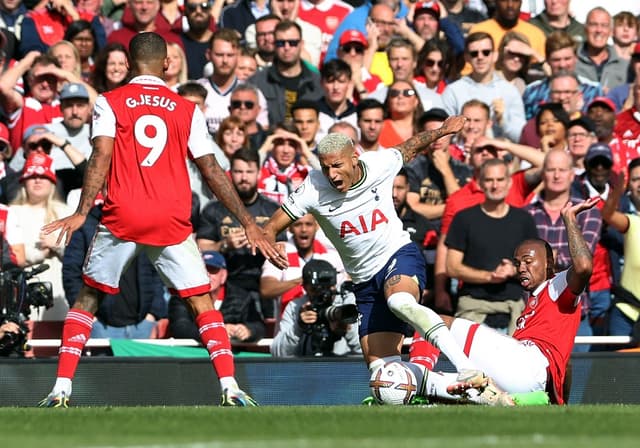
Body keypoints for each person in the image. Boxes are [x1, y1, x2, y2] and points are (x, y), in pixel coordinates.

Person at [38, 32, 286, 408]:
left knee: (88, 297)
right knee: (201, 302)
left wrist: (82, 210)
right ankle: (230, 386)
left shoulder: (109, 101)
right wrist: (248, 220)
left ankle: (61, 387)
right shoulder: (186, 109)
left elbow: (101, 154)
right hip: (171, 217)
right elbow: (211, 168)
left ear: (131, 63)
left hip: (124, 214)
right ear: (167, 64)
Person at [262, 118, 514, 406]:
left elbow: (411, 145)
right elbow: (274, 223)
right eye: (326, 167)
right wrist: (266, 237)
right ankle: (487, 397)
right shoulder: (313, 188)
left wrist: (443, 131)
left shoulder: (379, 164)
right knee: (385, 376)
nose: (332, 174)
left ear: (355, 157)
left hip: (398, 256)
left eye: (338, 165)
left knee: (400, 302)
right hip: (365, 282)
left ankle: (468, 369)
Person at [430, 198, 597, 405]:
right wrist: (561, 405)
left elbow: (583, 267)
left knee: (434, 321)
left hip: (529, 367)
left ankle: (422, 370)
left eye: (528, 261)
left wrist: (569, 219)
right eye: (518, 263)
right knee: (440, 386)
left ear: (549, 264)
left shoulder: (557, 285)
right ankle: (412, 385)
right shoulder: (531, 307)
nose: (521, 268)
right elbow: (566, 365)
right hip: (527, 382)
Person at [445, 158, 539, 334]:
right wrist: (490, 276)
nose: (495, 185)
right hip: (472, 310)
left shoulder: (524, 220)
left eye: (500, 179)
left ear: (509, 182)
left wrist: (515, 270)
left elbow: (536, 268)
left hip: (514, 312)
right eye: (489, 180)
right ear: (480, 183)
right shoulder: (464, 219)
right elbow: (452, 267)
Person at [271, 259, 361, 357]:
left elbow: (367, 350)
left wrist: (348, 330)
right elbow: (278, 353)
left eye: (329, 288)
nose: (323, 294)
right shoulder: (297, 306)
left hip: (344, 367)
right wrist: (298, 327)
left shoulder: (347, 302)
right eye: (315, 290)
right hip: (307, 366)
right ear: (304, 287)